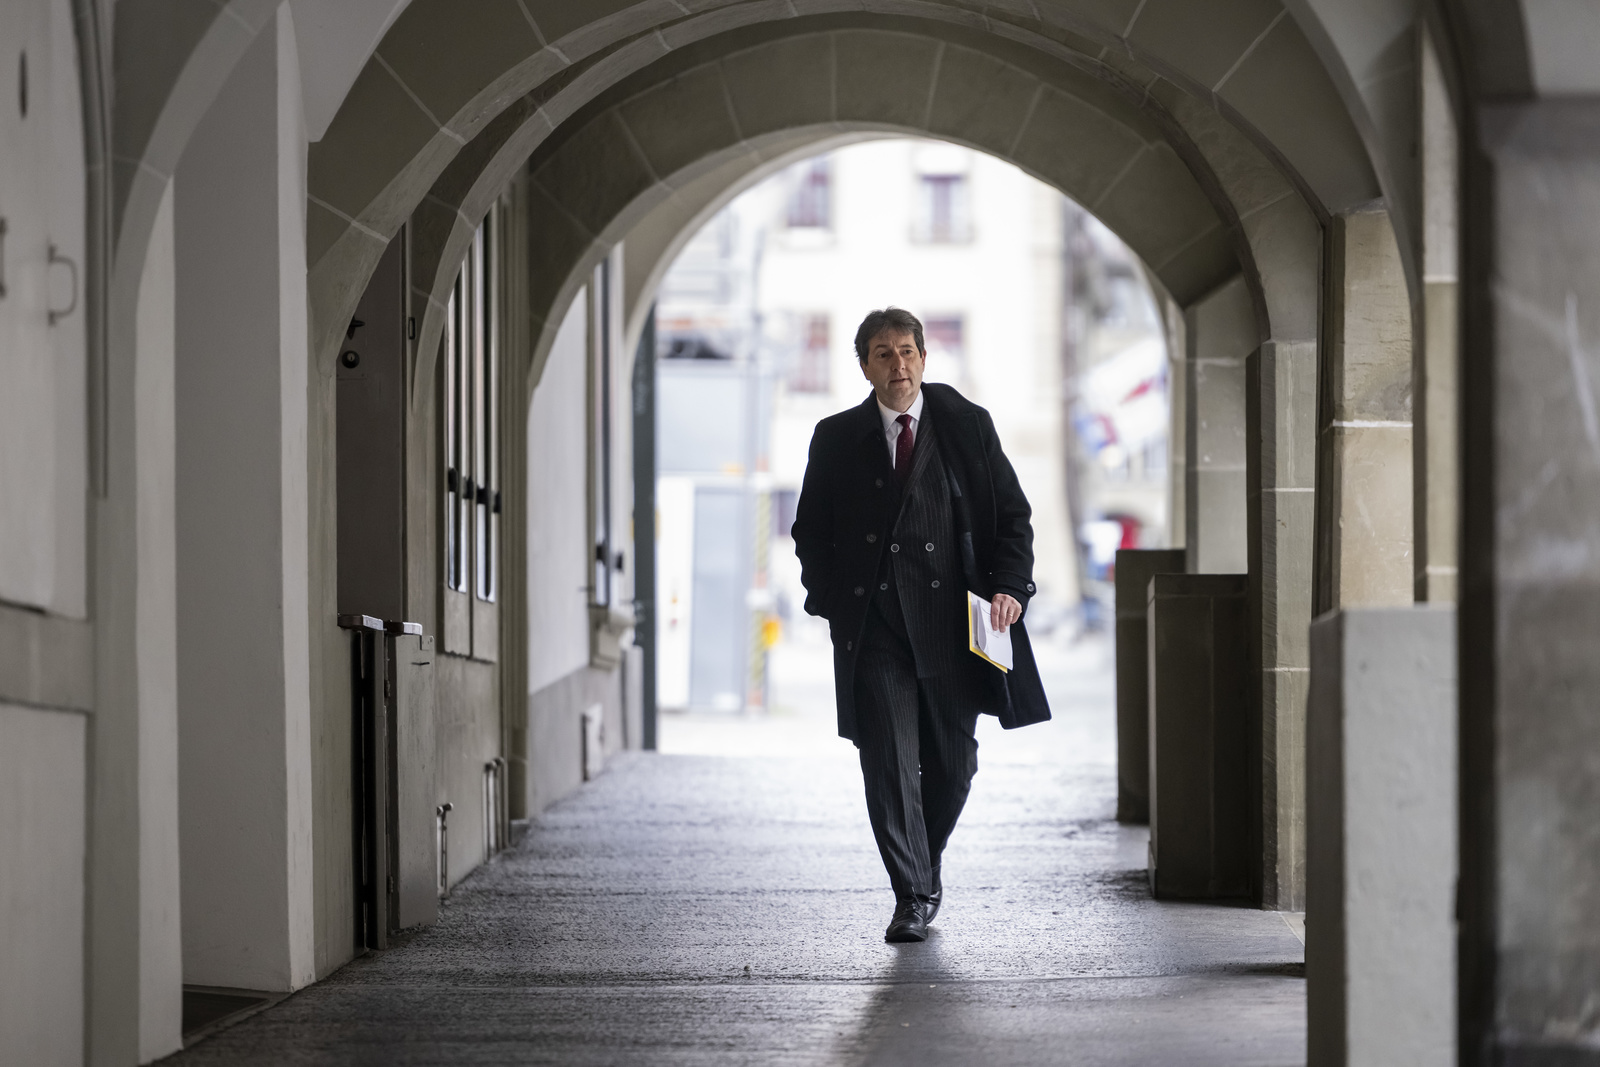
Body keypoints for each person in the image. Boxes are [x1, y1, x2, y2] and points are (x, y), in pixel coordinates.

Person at [791, 307, 1051, 943]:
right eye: (883, 354)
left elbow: (1012, 518)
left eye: (907, 351)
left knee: (954, 765)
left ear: (924, 358)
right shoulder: (834, 436)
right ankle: (911, 896)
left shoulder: (966, 425)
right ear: (865, 366)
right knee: (887, 762)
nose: (898, 365)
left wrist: (1010, 588)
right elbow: (810, 533)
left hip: (952, 629)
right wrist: (829, 599)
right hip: (875, 629)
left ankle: (924, 867)